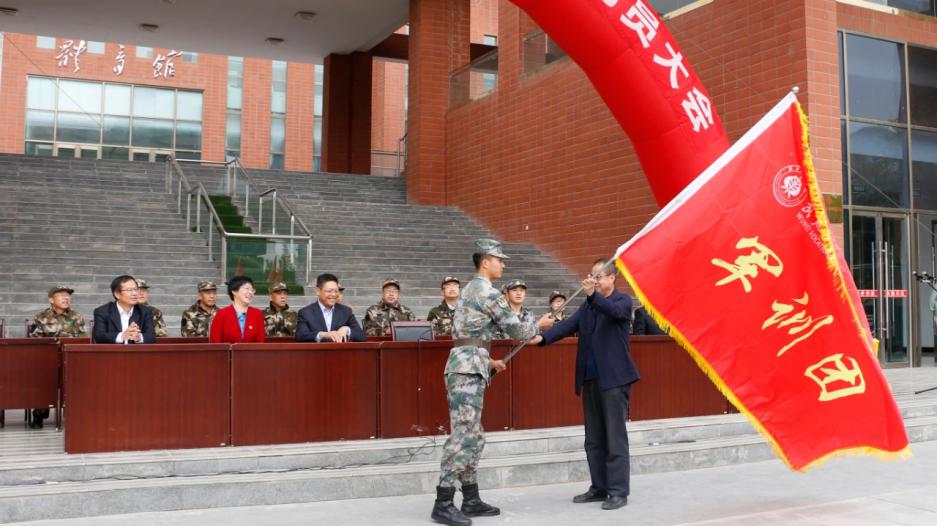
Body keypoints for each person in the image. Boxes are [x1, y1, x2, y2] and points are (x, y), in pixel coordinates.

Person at [431, 239, 553, 526]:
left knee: (475, 436)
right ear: (485, 262)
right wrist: (539, 325)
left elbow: (470, 333)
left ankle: (470, 498)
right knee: (464, 435)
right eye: (500, 260)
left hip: (470, 364)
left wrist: (487, 361)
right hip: (466, 369)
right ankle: (443, 502)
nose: (503, 265)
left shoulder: (471, 290)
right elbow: (518, 330)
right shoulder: (487, 292)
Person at [535, 259, 639, 511]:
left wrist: (593, 296)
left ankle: (618, 491)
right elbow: (567, 326)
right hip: (590, 379)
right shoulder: (588, 306)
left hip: (613, 380)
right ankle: (599, 487)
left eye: (599, 276)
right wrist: (541, 338)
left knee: (614, 437)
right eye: (592, 275)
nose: (594, 280)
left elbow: (614, 313)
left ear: (612, 277)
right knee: (593, 439)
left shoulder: (622, 301)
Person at [27, 284, 86, 428]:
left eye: (68, 295)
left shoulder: (76, 316)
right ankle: (40, 413)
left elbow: (83, 339)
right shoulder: (41, 317)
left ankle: (76, 413)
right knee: (42, 376)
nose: (66, 298)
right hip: (47, 360)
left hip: (70, 359)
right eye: (61, 295)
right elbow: (34, 342)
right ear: (51, 299)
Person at [296, 273, 366, 342]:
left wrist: (347, 329)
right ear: (318, 291)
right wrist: (323, 335)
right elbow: (301, 335)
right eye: (329, 291)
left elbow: (361, 335)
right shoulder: (306, 312)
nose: (333, 294)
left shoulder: (346, 311)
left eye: (336, 291)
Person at [92, 275, 156, 344]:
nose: (134, 293)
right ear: (117, 294)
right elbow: (99, 336)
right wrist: (122, 336)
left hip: (136, 351)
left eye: (136, 289)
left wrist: (139, 337)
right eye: (129, 290)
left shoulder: (145, 311)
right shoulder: (102, 312)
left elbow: (151, 337)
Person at [209, 276, 265, 343]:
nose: (250, 292)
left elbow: (260, 342)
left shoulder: (257, 314)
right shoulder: (222, 314)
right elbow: (215, 342)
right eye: (247, 289)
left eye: (252, 290)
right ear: (234, 291)